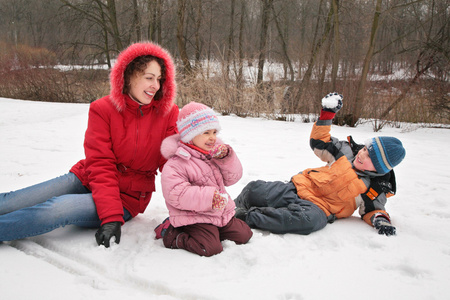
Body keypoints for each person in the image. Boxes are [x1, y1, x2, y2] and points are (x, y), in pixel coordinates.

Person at [0, 42, 179, 247]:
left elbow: (173, 164)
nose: (155, 86)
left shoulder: (168, 113)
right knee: (15, 201)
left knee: (56, 209)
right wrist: (110, 214)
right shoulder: (102, 109)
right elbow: (101, 162)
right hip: (88, 177)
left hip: (127, 197)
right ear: (128, 76)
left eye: (159, 79)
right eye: (149, 77)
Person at [234, 93, 406, 236]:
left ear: (379, 168)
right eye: (365, 149)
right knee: (254, 190)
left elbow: (373, 210)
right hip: (298, 187)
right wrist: (327, 115)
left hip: (319, 208)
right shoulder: (346, 154)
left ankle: (247, 217)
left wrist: (380, 219)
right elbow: (319, 142)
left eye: (369, 157)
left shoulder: (374, 188)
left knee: (309, 222)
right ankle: (231, 207)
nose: (362, 154)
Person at [154, 102, 253, 256]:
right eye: (206, 133)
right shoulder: (176, 163)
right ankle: (172, 234)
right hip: (193, 217)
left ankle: (213, 231)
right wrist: (210, 198)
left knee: (244, 234)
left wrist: (226, 159)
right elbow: (176, 194)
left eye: (214, 132)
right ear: (190, 135)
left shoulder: (213, 154)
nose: (212, 138)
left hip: (218, 213)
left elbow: (233, 178)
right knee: (209, 248)